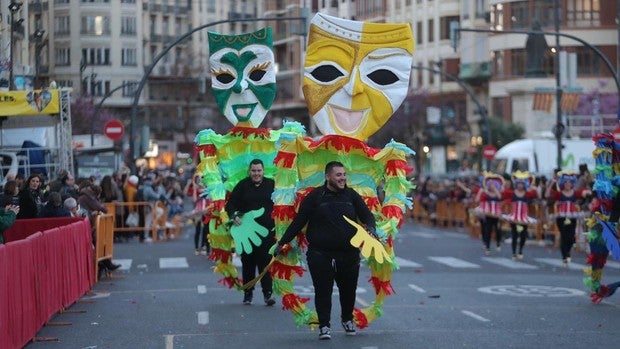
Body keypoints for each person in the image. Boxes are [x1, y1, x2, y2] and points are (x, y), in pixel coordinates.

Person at [272, 161, 376, 340]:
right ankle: (325, 325)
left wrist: (371, 228)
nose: (342, 178)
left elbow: (367, 216)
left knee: (348, 290)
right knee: (323, 290)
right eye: (338, 175)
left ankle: (347, 319)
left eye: (344, 174)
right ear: (328, 177)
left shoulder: (351, 196)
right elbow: (299, 222)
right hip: (320, 254)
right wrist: (282, 243)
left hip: (348, 254)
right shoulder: (315, 196)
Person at [225, 159, 276, 306]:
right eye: (253, 171)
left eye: (259, 170)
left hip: (266, 232)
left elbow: (280, 202)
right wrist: (234, 215)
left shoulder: (271, 184)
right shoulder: (242, 185)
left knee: (265, 262)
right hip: (246, 232)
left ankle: (268, 294)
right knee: (248, 262)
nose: (256, 173)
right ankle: (248, 294)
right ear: (249, 171)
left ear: (263, 171)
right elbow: (230, 204)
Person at [545, 171, 591, 266]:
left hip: (572, 217)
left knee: (571, 237)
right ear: (562, 183)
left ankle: (568, 252)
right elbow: (547, 195)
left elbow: (584, 193)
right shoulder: (559, 194)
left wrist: (589, 190)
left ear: (572, 183)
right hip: (561, 218)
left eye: (569, 182)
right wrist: (552, 183)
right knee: (564, 236)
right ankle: (564, 256)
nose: (567, 184)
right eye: (565, 182)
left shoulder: (575, 193)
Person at [502, 171, 539, 260]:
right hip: (514, 217)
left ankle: (520, 251)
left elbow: (537, 194)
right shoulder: (512, 193)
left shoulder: (527, 193)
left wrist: (531, 185)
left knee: (523, 235)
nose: (520, 186)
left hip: (524, 218)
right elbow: (502, 193)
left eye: (522, 184)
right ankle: (514, 253)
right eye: (518, 184)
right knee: (514, 235)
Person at [473, 173, 505, 255]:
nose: (492, 186)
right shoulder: (485, 192)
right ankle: (487, 247)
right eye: (491, 184)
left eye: (494, 184)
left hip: (497, 213)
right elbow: (477, 200)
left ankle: (498, 243)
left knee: (498, 229)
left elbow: (500, 197)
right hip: (488, 213)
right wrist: (481, 192)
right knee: (488, 230)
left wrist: (495, 189)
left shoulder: (498, 191)